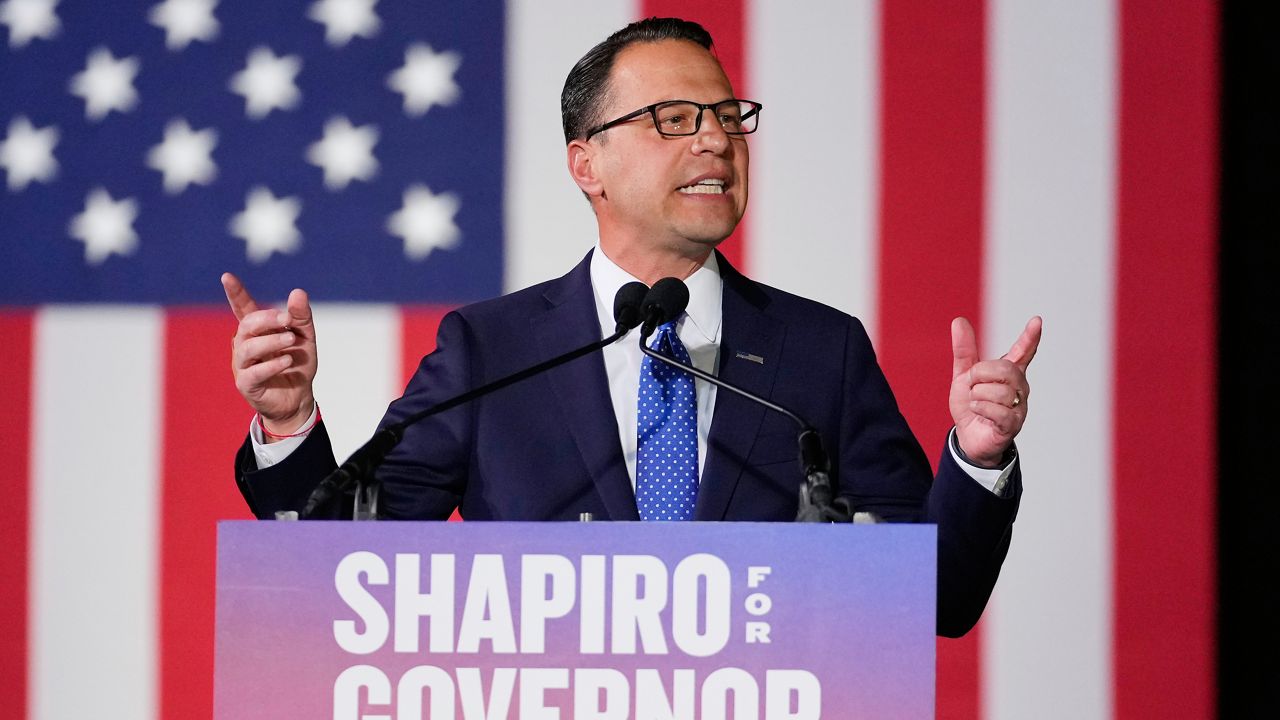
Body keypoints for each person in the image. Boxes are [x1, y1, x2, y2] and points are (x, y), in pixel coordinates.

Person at [223, 17, 1041, 638]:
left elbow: (935, 600)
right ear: (588, 163)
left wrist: (978, 456)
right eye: (675, 118)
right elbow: (345, 569)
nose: (717, 138)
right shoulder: (490, 351)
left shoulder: (821, 352)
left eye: (727, 115)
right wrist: (290, 420)